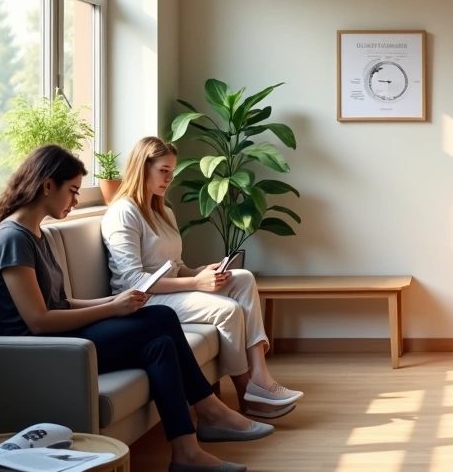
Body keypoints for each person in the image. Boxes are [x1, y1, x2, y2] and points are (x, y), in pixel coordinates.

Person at [0, 145, 266, 472]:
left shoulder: (38, 234)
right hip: (43, 351)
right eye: (72, 191)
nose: (75, 201)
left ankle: (187, 453)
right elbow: (38, 322)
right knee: (161, 319)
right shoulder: (13, 238)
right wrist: (112, 307)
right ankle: (210, 411)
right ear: (46, 186)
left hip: (61, 339)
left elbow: (63, 303)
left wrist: (115, 303)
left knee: (160, 344)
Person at [101, 136, 302, 420]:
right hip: (142, 301)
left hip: (171, 290)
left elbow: (175, 266)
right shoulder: (123, 213)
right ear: (142, 167)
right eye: (164, 170)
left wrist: (198, 272)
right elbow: (135, 281)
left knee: (242, 277)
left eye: (172, 171)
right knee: (228, 310)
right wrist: (195, 283)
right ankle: (248, 396)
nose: (169, 178)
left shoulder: (163, 211)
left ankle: (261, 377)